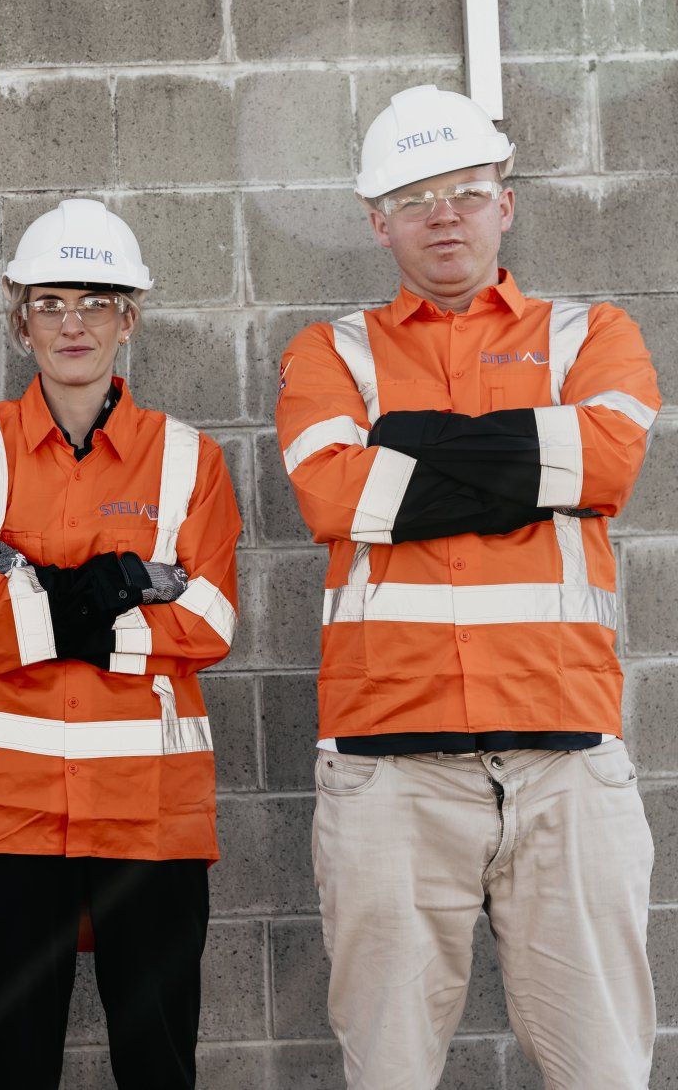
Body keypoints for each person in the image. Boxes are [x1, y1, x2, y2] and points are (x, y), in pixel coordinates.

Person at [276, 85, 661, 1088]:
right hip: (388, 769)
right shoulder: (332, 353)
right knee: (390, 1071)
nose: (443, 214)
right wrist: (533, 468)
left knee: (603, 1071)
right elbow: (338, 498)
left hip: (566, 760)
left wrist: (407, 449)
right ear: (377, 220)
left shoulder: (593, 335)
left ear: (507, 202)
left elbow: (608, 463)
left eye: (466, 190)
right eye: (414, 196)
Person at [0, 198, 241, 1089]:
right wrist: (122, 587)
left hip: (149, 811)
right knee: (15, 1069)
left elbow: (210, 619)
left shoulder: (189, 459)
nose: (72, 322)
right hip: (2, 810)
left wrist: (36, 590)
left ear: (128, 319)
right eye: (50, 302)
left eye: (95, 301)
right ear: (20, 321)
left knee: (159, 1066)